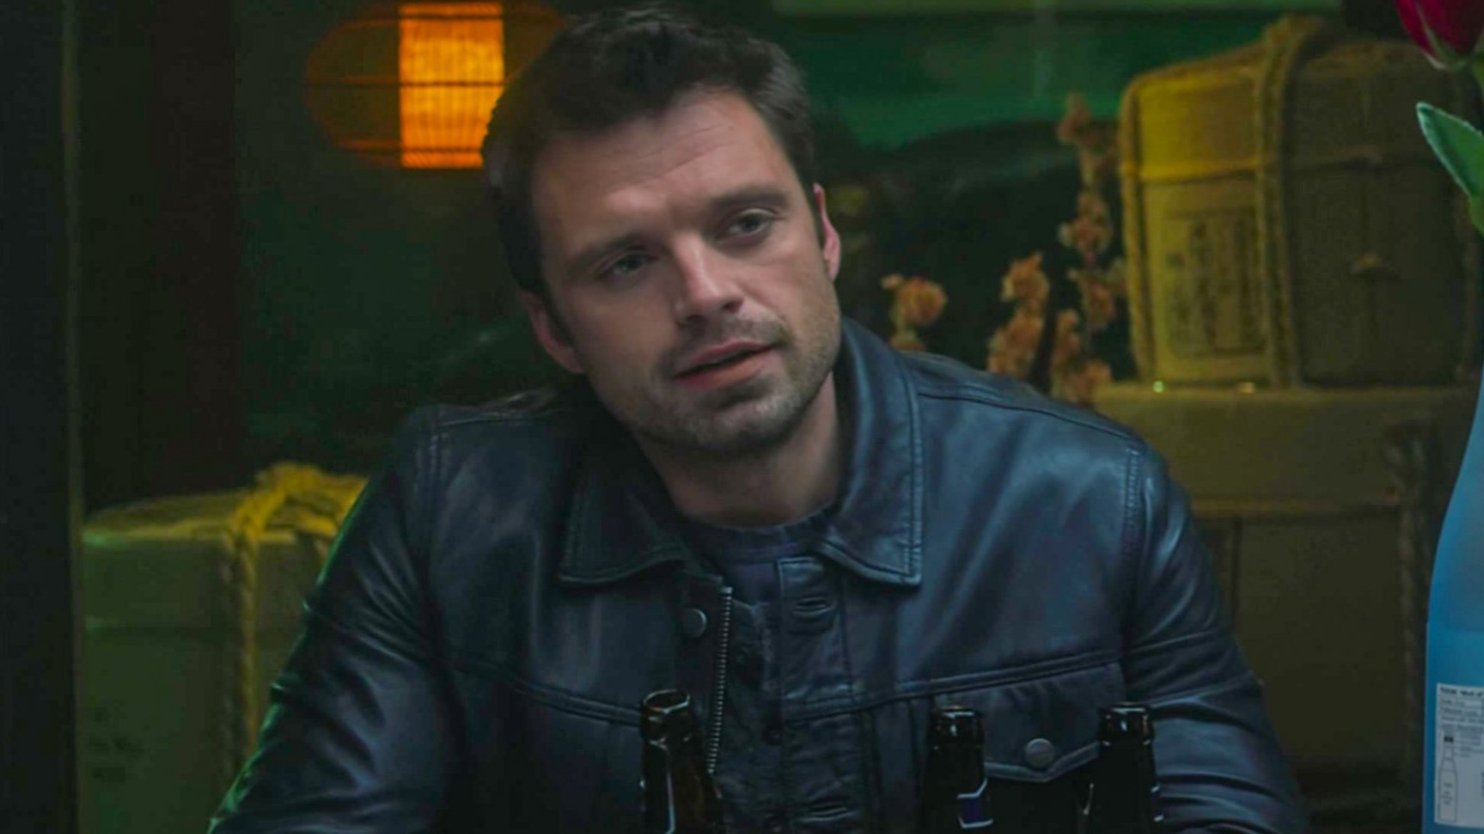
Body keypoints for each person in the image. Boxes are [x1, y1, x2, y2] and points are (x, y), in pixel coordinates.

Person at [210, 5, 1307, 832]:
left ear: (821, 235)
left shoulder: (1090, 502)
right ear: (553, 328)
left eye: (744, 224)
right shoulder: (454, 517)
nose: (704, 295)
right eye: (626, 262)